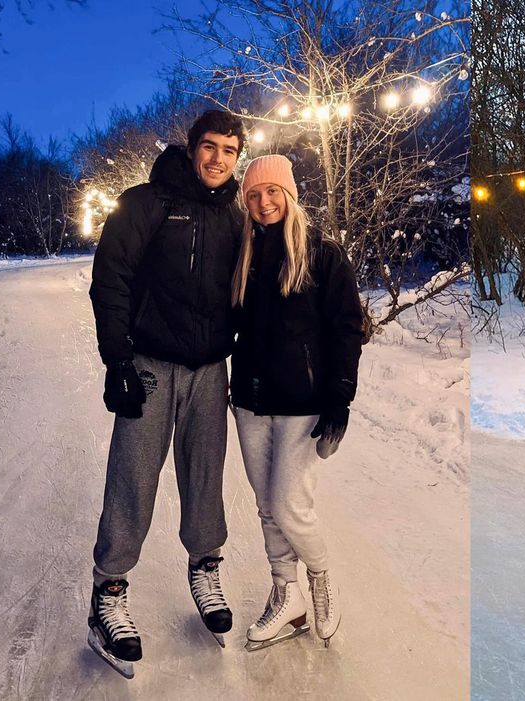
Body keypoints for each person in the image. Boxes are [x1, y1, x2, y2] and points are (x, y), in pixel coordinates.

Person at [86, 110, 246, 676]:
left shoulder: (237, 217)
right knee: (132, 475)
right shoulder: (147, 203)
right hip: (152, 363)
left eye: (229, 150)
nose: (218, 159)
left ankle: (205, 567)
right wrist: (118, 361)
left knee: (205, 475)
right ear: (192, 147)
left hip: (209, 370)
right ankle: (108, 593)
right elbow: (111, 279)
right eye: (210, 147)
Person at [229, 155, 364, 651]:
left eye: (272, 193)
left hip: (303, 404)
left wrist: (339, 399)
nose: (264, 204)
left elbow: (348, 328)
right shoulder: (241, 254)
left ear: (288, 195)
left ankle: (320, 581)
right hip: (248, 400)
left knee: (290, 504)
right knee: (267, 505)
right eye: (254, 196)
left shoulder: (323, 255)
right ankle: (286, 597)